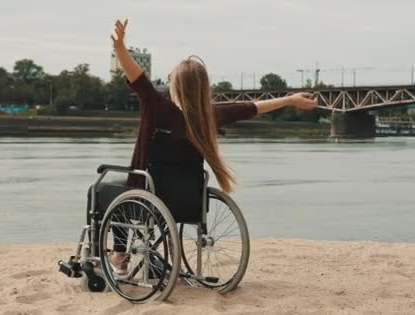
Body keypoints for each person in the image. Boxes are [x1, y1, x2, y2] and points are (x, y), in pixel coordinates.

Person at [104, 19, 318, 273]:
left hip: (149, 196)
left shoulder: (158, 108)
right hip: (187, 201)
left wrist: (119, 49)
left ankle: (119, 254)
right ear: (203, 87)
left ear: (175, 85)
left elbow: (138, 78)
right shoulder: (210, 117)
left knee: (103, 190)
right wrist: (291, 99)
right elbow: (253, 108)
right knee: (121, 189)